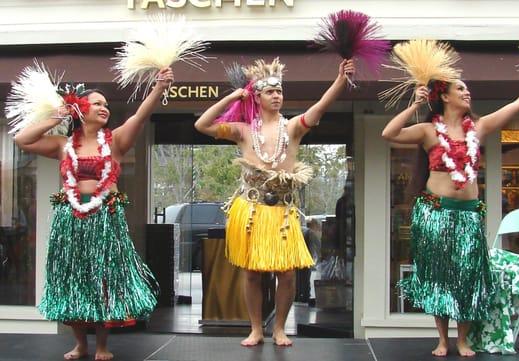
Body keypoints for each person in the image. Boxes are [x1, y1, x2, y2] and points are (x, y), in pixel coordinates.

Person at [381, 63, 519, 357]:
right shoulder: (429, 131)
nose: (467, 92)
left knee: (468, 276)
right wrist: (415, 104)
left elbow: (518, 104)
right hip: (436, 214)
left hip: (468, 215)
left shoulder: (478, 129)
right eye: (461, 88)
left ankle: (463, 339)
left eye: (467, 88)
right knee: (440, 277)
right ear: (444, 95)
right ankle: (442, 339)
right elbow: (388, 133)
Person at [13, 67, 174, 361]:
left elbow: (139, 116)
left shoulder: (114, 141)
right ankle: (80, 344)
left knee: (102, 279)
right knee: (74, 278)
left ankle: (101, 345)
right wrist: (58, 115)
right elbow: (22, 139)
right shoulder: (63, 145)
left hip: (105, 216)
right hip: (71, 218)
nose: (104, 108)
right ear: (81, 109)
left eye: (107, 105)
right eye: (98, 103)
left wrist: (159, 88)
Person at [194, 58, 354, 346]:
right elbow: (202, 124)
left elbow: (319, 108)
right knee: (253, 273)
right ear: (257, 96)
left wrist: (341, 80)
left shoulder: (292, 128)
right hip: (252, 209)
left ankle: (279, 328)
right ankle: (256, 329)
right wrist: (232, 96)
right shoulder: (242, 130)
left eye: (280, 91)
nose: (277, 95)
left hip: (282, 212)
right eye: (270, 91)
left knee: (288, 274)